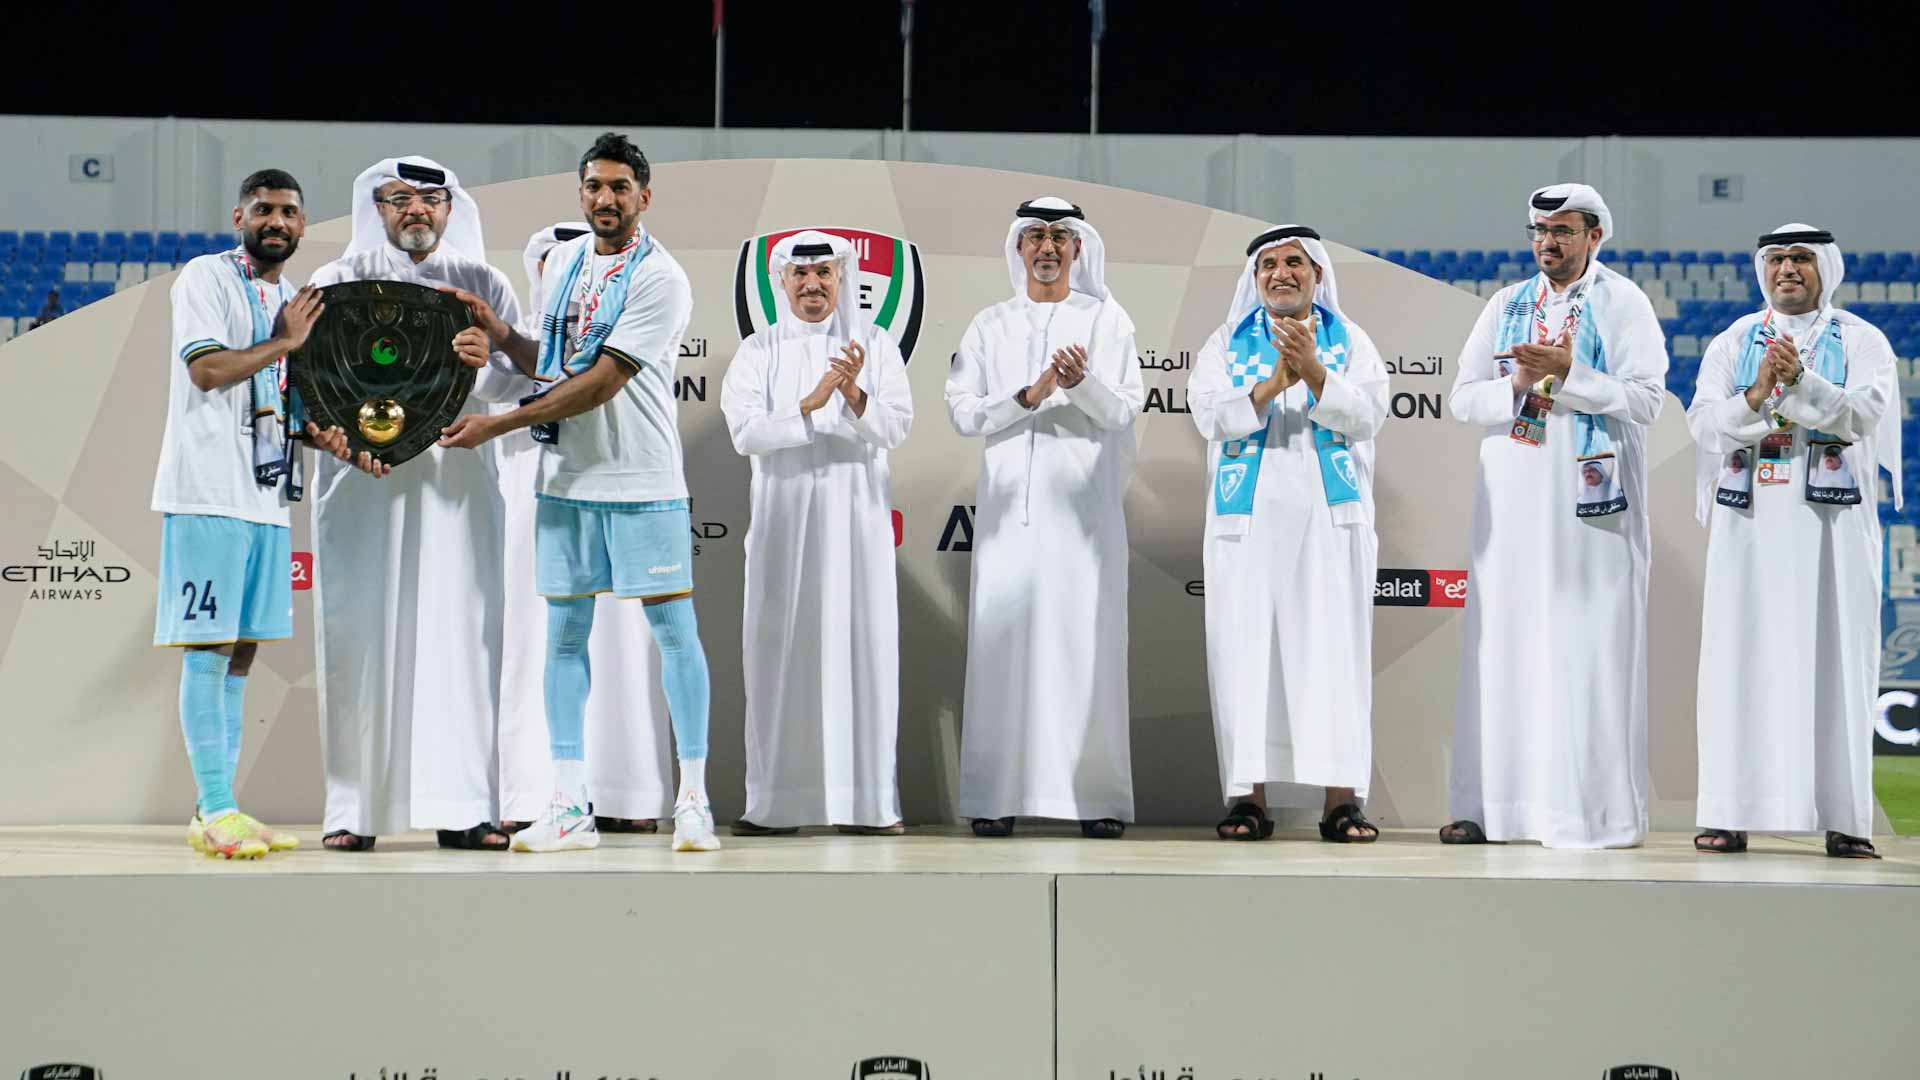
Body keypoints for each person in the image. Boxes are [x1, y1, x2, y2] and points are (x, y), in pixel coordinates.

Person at [438, 132, 719, 854]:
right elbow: (553, 362)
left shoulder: (664, 278)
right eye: (594, 186)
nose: (605, 199)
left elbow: (599, 382)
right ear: (581, 193)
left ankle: (693, 800)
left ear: (644, 197)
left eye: (620, 187)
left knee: (674, 635)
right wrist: (500, 331)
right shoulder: (562, 262)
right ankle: (568, 806)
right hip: (565, 481)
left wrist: (500, 423)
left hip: (642, 479)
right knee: (564, 639)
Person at [152, 168, 383, 858]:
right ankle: (217, 806)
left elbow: (289, 402)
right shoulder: (205, 278)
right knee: (209, 645)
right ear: (239, 217)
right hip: (207, 491)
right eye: (263, 210)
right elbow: (208, 370)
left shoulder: (290, 300)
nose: (275, 221)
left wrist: (331, 438)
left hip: (265, 497)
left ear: (303, 226)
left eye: (287, 211)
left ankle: (217, 807)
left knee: (243, 651)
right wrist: (284, 342)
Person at [306, 155, 531, 853]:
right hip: (359, 485)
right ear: (376, 206)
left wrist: (483, 363)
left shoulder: (482, 283)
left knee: (462, 638)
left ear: (448, 207)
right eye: (399, 198)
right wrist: (334, 439)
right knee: (356, 639)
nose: (415, 210)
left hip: (456, 487)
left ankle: (465, 809)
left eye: (429, 199)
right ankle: (353, 812)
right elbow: (304, 380)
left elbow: (525, 386)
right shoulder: (335, 282)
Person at [1443, 183, 1668, 849]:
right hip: (1511, 506)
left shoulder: (1623, 301)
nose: (1549, 242)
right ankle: (1495, 809)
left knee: (1585, 654)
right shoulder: (1505, 304)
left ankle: (1589, 815)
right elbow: (1461, 399)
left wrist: (1571, 374)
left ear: (1594, 236)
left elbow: (1648, 401)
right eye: (1540, 230)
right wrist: (1517, 383)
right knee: (1505, 648)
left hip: (1590, 513)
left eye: (1564, 230)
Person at [1686, 224, 1897, 859]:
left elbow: (1862, 417)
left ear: (1824, 269)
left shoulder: (1863, 341)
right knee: (1738, 662)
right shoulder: (1732, 341)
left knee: (1838, 664)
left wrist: (1801, 382)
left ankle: (1845, 818)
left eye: (1801, 259)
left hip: (1832, 528)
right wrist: (1755, 395)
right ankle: (1727, 813)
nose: (1788, 270)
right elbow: (1702, 425)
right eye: (1777, 259)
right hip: (1748, 523)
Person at [945, 197, 1145, 839]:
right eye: (1035, 236)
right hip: (1008, 521)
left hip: (1083, 520)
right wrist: (1029, 396)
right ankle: (994, 796)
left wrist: (1080, 383)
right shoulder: (990, 324)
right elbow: (963, 412)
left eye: (1061, 236)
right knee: (1003, 650)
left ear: (1079, 248)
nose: (1048, 247)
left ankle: (1097, 801)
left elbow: (1122, 411)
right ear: (1018, 247)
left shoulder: (1107, 320)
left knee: (1085, 651)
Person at [1189, 225, 1389, 843]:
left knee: (1335, 657)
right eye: (1269, 264)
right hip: (1245, 528)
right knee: (1245, 659)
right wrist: (1278, 380)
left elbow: (1368, 414)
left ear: (1317, 274)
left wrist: (1316, 371)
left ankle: (1341, 801)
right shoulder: (1225, 341)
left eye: (1295, 263)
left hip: (1331, 525)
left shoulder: (1351, 340)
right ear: (1254, 279)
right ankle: (1248, 799)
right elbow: (1209, 416)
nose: (1282, 273)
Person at [721, 230, 914, 836]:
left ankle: (866, 805)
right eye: (800, 276)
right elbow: (746, 434)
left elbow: (897, 428)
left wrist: (853, 392)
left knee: (863, 650)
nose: (812, 285)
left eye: (823, 275)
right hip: (783, 524)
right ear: (782, 283)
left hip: (855, 524)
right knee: (779, 653)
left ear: (841, 280)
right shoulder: (758, 351)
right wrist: (810, 404)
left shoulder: (875, 345)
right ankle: (778, 805)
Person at [495, 222, 675, 835]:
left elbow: (596, 383)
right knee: (540, 640)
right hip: (534, 492)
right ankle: (534, 795)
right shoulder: (518, 339)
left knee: (627, 646)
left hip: (617, 483)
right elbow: (501, 385)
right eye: (553, 267)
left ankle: (626, 792)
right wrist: (497, 341)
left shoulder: (633, 308)